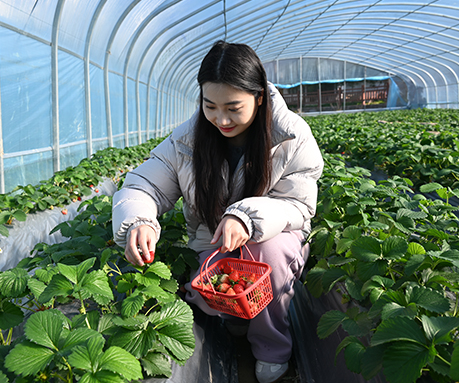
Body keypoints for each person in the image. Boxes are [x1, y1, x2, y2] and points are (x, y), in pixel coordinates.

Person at [112, 40, 324, 383]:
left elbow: (298, 205)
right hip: (214, 243)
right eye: (210, 106)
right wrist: (139, 220)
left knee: (264, 254)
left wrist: (245, 217)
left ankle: (271, 346)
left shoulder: (291, 136)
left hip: (278, 241)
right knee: (215, 288)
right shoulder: (187, 142)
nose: (220, 119)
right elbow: (143, 185)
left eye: (233, 107)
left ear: (259, 97)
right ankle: (236, 318)